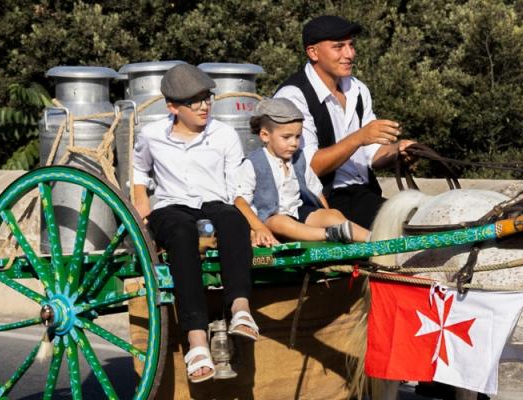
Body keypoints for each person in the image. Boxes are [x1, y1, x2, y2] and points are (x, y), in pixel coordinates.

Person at [130, 63, 260, 384]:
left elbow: (236, 190)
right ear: (172, 107)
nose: (204, 106)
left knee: (232, 218)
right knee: (180, 231)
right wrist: (143, 213)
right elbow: (138, 172)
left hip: (212, 206)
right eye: (194, 101)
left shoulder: (225, 134)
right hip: (171, 208)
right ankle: (196, 341)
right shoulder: (151, 136)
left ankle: (240, 309)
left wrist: (254, 223)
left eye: (207, 98)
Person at [274, 15, 414, 229]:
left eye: (351, 45)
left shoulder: (357, 89)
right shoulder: (293, 96)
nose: (350, 54)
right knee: (404, 228)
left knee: (417, 218)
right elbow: (310, 167)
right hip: (321, 201)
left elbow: (372, 155)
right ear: (313, 52)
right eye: (339, 47)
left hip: (361, 194)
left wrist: (397, 151)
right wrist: (360, 137)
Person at [236, 97, 370, 243]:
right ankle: (329, 235)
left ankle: (373, 238)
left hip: (299, 213)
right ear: (265, 135)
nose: (294, 143)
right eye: (286, 137)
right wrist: (259, 229)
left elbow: (316, 192)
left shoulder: (299, 159)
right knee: (280, 222)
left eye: (297, 136)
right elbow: (240, 202)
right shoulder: (254, 163)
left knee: (333, 214)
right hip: (270, 219)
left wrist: (326, 213)